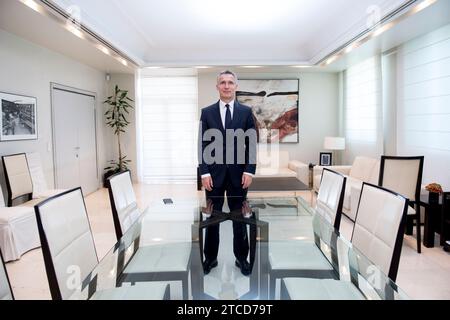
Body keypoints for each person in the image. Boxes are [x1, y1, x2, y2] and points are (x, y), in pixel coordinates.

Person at [198, 70, 257, 276]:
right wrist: (204, 173)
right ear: (217, 87)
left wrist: (250, 169)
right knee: (212, 218)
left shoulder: (246, 112)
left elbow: (252, 143)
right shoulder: (206, 113)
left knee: (239, 218)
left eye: (230, 82)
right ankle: (210, 258)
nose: (226, 86)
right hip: (213, 176)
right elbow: (201, 143)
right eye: (222, 82)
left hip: (239, 175)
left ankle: (242, 258)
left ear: (236, 86)